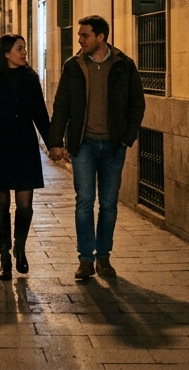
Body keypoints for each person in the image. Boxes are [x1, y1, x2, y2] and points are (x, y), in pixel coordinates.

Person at [49, 15, 147, 281]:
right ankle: (85, 260)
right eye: (80, 35)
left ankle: (103, 257)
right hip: (84, 145)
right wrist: (56, 142)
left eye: (85, 35)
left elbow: (137, 103)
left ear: (100, 37)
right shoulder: (73, 66)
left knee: (108, 204)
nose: (80, 40)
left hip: (114, 146)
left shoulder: (123, 65)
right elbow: (62, 106)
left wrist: (127, 137)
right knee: (84, 202)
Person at [0, 35, 52, 281]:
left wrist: (53, 144)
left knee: (25, 205)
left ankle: (20, 248)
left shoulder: (31, 79)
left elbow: (40, 113)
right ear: (6, 53)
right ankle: (4, 257)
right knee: (2, 206)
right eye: (19, 48)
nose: (24, 51)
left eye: (25, 47)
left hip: (25, 148)